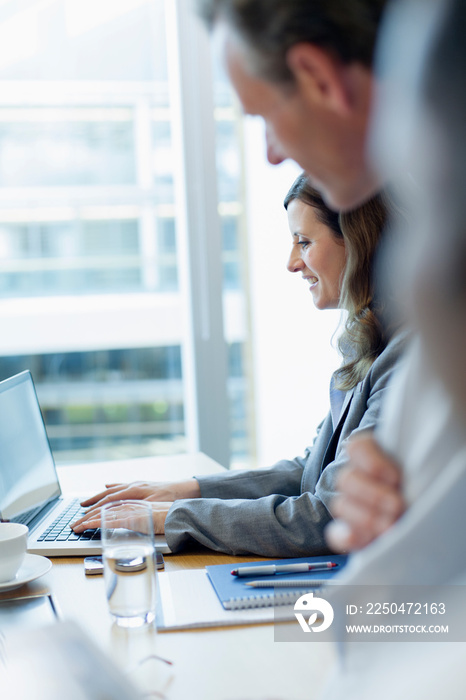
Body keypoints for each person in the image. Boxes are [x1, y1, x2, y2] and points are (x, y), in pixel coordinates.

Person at [72, 176, 406, 557]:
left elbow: (324, 516)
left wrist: (172, 516)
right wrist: (186, 490)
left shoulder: (404, 360)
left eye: (305, 242)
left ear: (360, 244)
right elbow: (309, 474)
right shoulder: (369, 343)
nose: (292, 262)